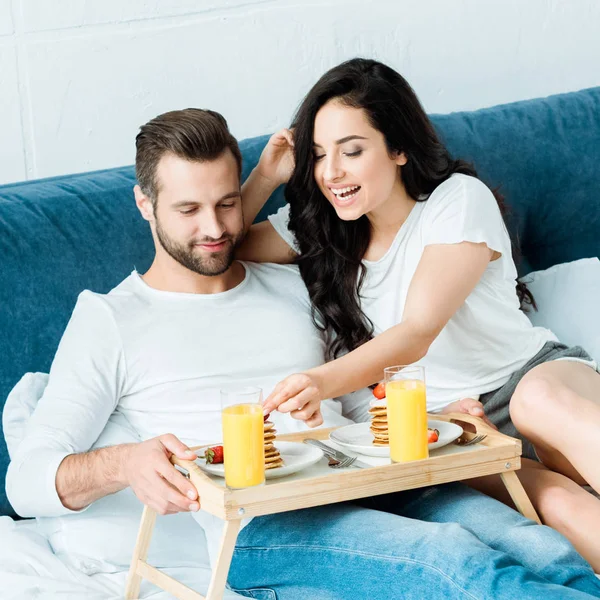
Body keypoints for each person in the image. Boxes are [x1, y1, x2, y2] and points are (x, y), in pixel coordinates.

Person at [5, 108, 600, 599]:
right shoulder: (110, 319)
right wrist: (124, 463)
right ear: (144, 204)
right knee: (456, 564)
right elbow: (26, 481)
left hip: (371, 479)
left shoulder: (294, 282)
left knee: (540, 548)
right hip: (262, 525)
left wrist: (433, 418)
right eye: (187, 210)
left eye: (227, 204)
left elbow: (362, 403)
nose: (213, 228)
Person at [238, 57, 600, 571]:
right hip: (451, 428)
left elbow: (417, 331)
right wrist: (265, 175)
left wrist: (319, 382)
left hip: (529, 378)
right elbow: (215, 251)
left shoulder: (457, 200)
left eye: (352, 151)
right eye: (318, 156)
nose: (331, 172)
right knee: (557, 503)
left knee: (538, 402)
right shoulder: (318, 230)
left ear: (400, 148)